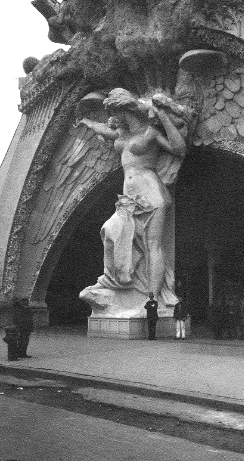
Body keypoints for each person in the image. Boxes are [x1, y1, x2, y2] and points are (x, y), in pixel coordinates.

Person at [78, 89, 188, 305]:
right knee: (111, 231)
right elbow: (104, 130)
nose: (112, 119)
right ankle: (113, 278)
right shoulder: (122, 134)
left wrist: (163, 117)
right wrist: (86, 121)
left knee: (152, 245)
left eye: (114, 113)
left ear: (124, 110)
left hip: (151, 193)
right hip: (128, 198)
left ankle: (152, 299)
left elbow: (179, 149)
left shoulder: (150, 133)